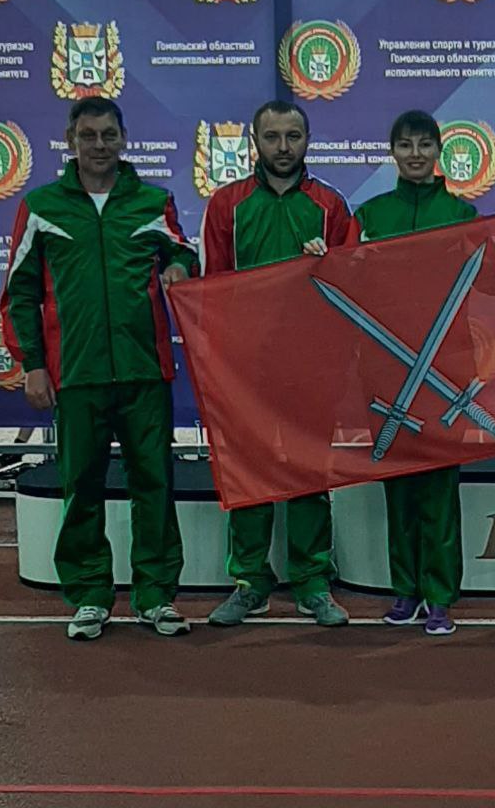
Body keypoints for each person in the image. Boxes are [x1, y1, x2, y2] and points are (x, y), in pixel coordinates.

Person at [0, 97, 197, 641]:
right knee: (81, 485)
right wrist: (33, 365)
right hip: (77, 374)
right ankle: (89, 595)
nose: (99, 145)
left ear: (124, 138)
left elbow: (183, 254)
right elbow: (19, 293)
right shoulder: (41, 207)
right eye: (88, 136)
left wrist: (181, 266)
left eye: (109, 134)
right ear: (71, 141)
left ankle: (156, 596)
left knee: (154, 484)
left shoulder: (154, 201)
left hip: (144, 371)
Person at [201, 100, 353, 629]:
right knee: (249, 473)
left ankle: (313, 581)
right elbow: (211, 291)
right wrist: (221, 363)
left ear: (308, 140)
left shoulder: (331, 206)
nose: (283, 147)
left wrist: (329, 266)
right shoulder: (228, 205)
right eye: (272, 136)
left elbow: (351, 286)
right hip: (247, 367)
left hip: (312, 364)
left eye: (293, 136)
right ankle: (249, 581)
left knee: (310, 470)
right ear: (255, 141)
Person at [348, 110, 478, 637]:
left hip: (445, 369)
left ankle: (440, 595)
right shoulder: (370, 215)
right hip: (387, 370)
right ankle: (405, 588)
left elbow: (492, 279)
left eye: (425, 145)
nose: (416, 154)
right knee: (398, 484)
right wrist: (322, 257)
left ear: (439, 151)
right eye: (405, 145)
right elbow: (347, 278)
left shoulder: (464, 214)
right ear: (393, 152)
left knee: (440, 487)